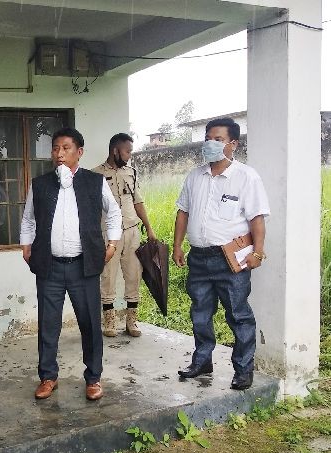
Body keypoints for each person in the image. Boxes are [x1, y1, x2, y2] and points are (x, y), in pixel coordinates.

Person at [20, 127, 122, 401]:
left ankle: (93, 378)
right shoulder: (40, 184)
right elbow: (28, 218)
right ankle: (47, 376)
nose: (59, 154)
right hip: (49, 267)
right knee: (48, 324)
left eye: (66, 148)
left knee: (90, 324)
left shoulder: (94, 182)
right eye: (55, 148)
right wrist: (26, 244)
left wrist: (112, 244)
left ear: (79, 152)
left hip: (84, 267)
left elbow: (113, 213)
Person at [173, 118, 270, 390]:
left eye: (218, 139)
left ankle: (243, 369)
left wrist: (258, 253)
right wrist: (177, 246)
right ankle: (202, 361)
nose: (210, 143)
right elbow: (183, 212)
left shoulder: (246, 177)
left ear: (233, 144)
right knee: (200, 314)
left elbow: (257, 219)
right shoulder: (195, 176)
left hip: (230, 260)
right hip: (199, 258)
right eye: (208, 138)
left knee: (238, 315)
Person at [93, 133, 156, 337]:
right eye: (127, 151)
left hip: (131, 231)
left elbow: (138, 202)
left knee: (133, 275)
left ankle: (132, 322)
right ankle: (109, 323)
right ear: (115, 150)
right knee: (108, 277)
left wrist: (149, 228)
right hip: (108, 235)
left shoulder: (132, 173)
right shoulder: (95, 175)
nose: (129, 155)